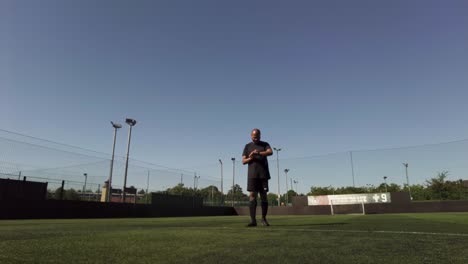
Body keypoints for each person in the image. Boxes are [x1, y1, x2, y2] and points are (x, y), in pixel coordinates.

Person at [242, 128, 273, 227]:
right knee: (252, 195)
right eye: (254, 137)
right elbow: (243, 161)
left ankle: (263, 219)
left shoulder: (265, 144)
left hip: (263, 174)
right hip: (252, 175)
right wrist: (251, 156)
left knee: (263, 195)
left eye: (257, 136)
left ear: (260, 136)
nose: (255, 138)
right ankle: (253, 220)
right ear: (251, 136)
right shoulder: (247, 146)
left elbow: (270, 152)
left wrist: (258, 153)